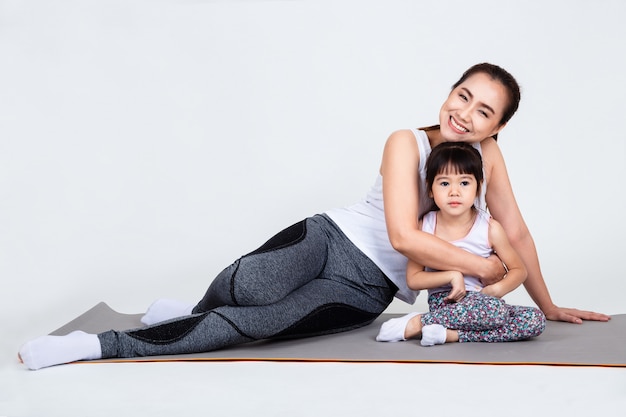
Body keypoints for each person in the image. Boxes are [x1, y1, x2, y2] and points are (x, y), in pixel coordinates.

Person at [18, 63, 609, 370]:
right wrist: (486, 261)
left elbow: (519, 231)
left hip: (366, 284)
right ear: (448, 92)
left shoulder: (490, 158)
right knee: (248, 285)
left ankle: (98, 348)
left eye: (484, 112)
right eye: (463, 96)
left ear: (496, 127)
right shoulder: (405, 139)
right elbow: (405, 234)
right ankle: (196, 310)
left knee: (257, 324)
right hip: (331, 236)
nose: (466, 114)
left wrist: (548, 304)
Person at [376, 141, 545, 346]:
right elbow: (413, 279)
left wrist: (497, 290)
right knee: (496, 312)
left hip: (483, 300)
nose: (454, 192)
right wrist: (451, 275)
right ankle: (416, 323)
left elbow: (519, 270)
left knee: (535, 320)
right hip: (446, 302)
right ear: (430, 189)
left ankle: (448, 334)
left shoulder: (490, 228)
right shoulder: (426, 225)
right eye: (444, 183)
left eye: (464, 183)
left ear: (478, 188)